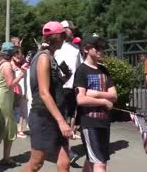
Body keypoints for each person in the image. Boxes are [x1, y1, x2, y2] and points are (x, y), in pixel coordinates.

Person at [23, 21, 72, 172]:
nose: (65, 39)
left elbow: (51, 86)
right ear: (56, 37)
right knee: (36, 163)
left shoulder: (50, 57)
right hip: (43, 116)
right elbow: (44, 93)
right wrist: (61, 121)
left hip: (55, 114)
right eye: (63, 36)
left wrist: (65, 78)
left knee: (64, 163)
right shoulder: (43, 57)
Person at [74, 35, 117, 172]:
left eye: (102, 48)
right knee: (100, 164)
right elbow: (81, 99)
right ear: (86, 49)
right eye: (97, 47)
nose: (101, 50)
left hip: (104, 122)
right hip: (89, 123)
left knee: (92, 160)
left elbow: (114, 95)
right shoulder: (81, 70)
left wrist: (96, 94)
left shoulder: (104, 70)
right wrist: (104, 101)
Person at [55, 20, 82, 145]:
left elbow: (80, 66)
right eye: (71, 29)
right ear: (64, 29)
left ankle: (65, 144)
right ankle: (60, 145)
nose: (73, 31)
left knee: (69, 115)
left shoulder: (76, 48)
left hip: (71, 87)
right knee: (60, 116)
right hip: (58, 86)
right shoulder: (55, 47)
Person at [12, 48, 29, 138]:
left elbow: (26, 66)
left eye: (20, 56)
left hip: (22, 90)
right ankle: (13, 129)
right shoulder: (10, 64)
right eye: (16, 56)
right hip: (14, 89)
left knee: (21, 109)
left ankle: (20, 129)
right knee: (14, 109)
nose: (19, 59)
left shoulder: (24, 64)